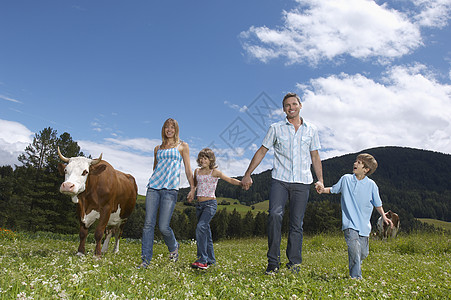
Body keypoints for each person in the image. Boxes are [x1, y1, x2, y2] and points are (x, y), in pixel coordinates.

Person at [241, 92, 324, 274]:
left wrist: (320, 180)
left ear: (300, 106)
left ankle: (294, 263)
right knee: (275, 215)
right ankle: (273, 262)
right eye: (287, 105)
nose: (291, 107)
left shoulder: (311, 129)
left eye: (294, 104)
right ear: (283, 109)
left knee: (296, 224)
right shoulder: (275, 128)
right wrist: (248, 174)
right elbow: (262, 151)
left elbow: (315, 156)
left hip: (302, 182)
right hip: (280, 180)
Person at [316, 153, 393, 279]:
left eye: (359, 162)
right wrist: (322, 190)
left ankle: (356, 263)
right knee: (354, 249)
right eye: (355, 161)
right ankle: (356, 278)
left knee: (363, 253)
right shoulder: (346, 179)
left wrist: (384, 216)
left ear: (366, 169)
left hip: (364, 226)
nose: (355, 164)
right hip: (349, 223)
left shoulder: (372, 185)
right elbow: (334, 189)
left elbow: (377, 204)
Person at [140, 118, 195, 268]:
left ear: (176, 129)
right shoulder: (157, 148)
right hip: (153, 187)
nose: (169, 130)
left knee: (164, 226)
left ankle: (174, 247)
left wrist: (192, 187)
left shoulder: (183, 146)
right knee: (148, 224)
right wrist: (154, 181)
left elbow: (188, 169)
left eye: (172, 127)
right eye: (166, 127)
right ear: (163, 130)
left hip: (170, 189)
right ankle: (145, 260)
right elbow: (155, 167)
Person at [189, 148, 241, 270]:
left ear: (211, 160)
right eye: (201, 158)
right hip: (199, 206)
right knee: (206, 232)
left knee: (201, 227)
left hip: (210, 205)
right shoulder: (197, 171)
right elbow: (195, 185)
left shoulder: (215, 172)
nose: (202, 160)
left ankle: (203, 260)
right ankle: (211, 260)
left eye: (205, 158)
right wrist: (192, 193)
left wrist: (241, 183)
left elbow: (230, 179)